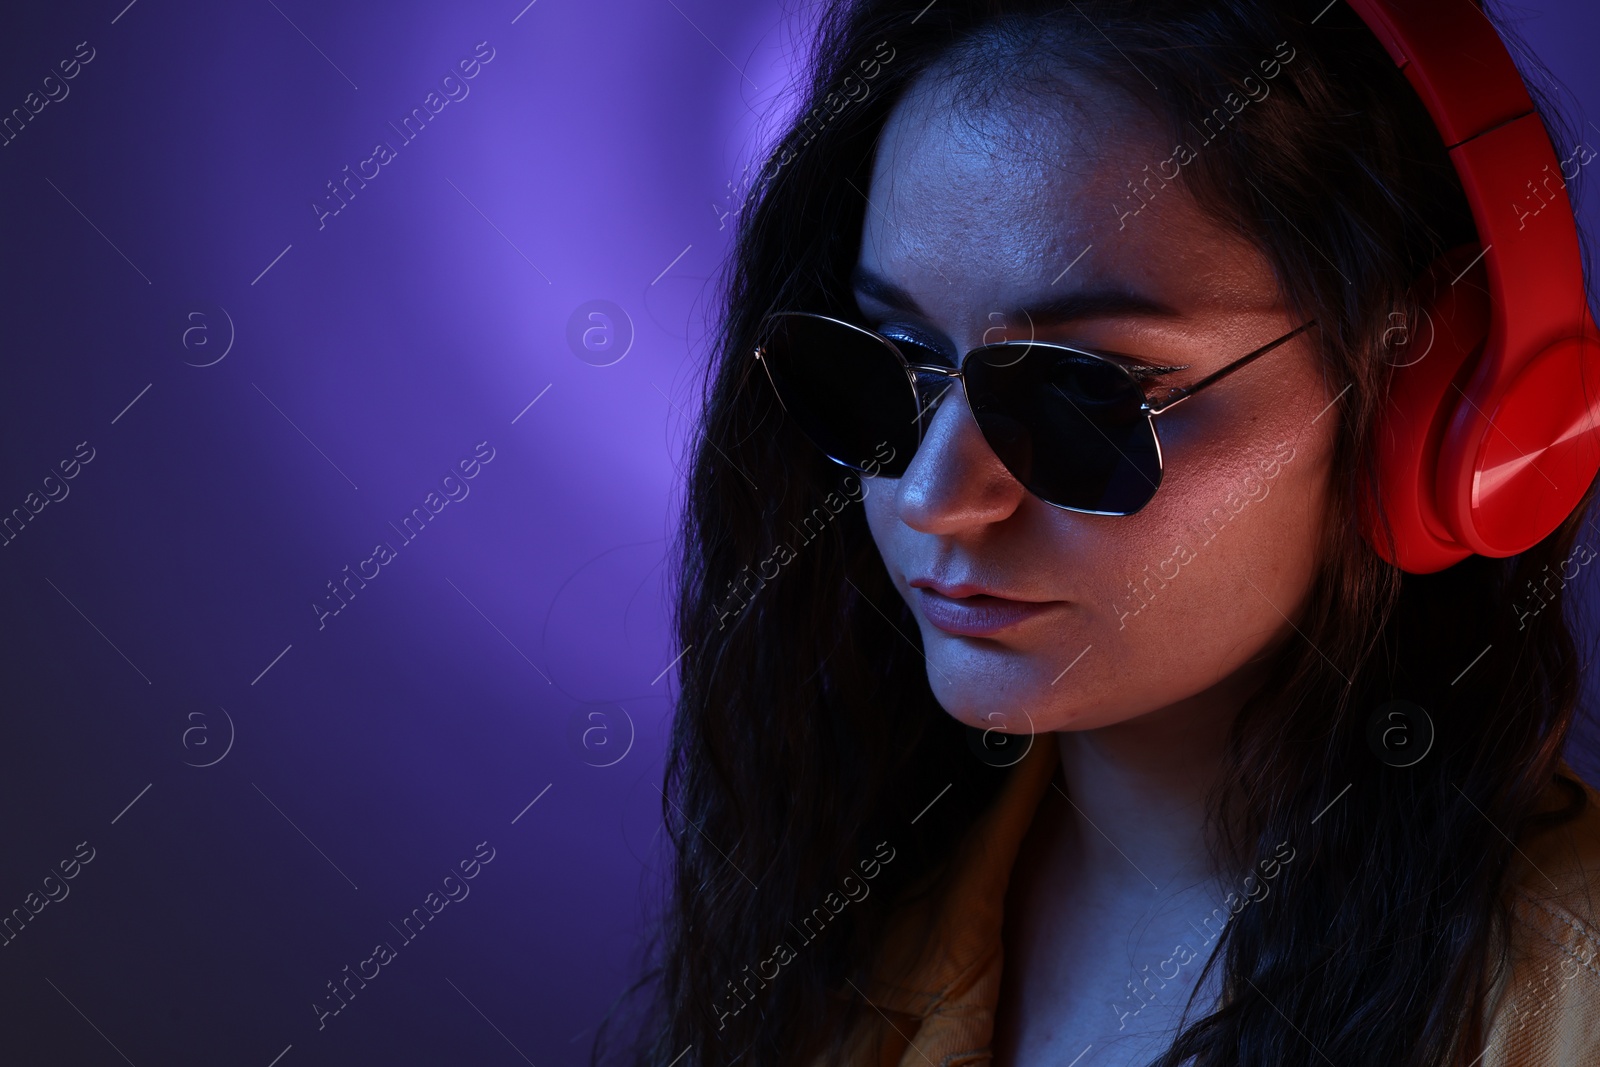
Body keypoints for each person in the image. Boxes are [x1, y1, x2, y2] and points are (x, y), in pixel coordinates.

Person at [597, 2, 1600, 1065]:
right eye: (887, 360)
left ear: (1429, 410)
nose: (934, 496)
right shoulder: (847, 916)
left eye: (1084, 397)